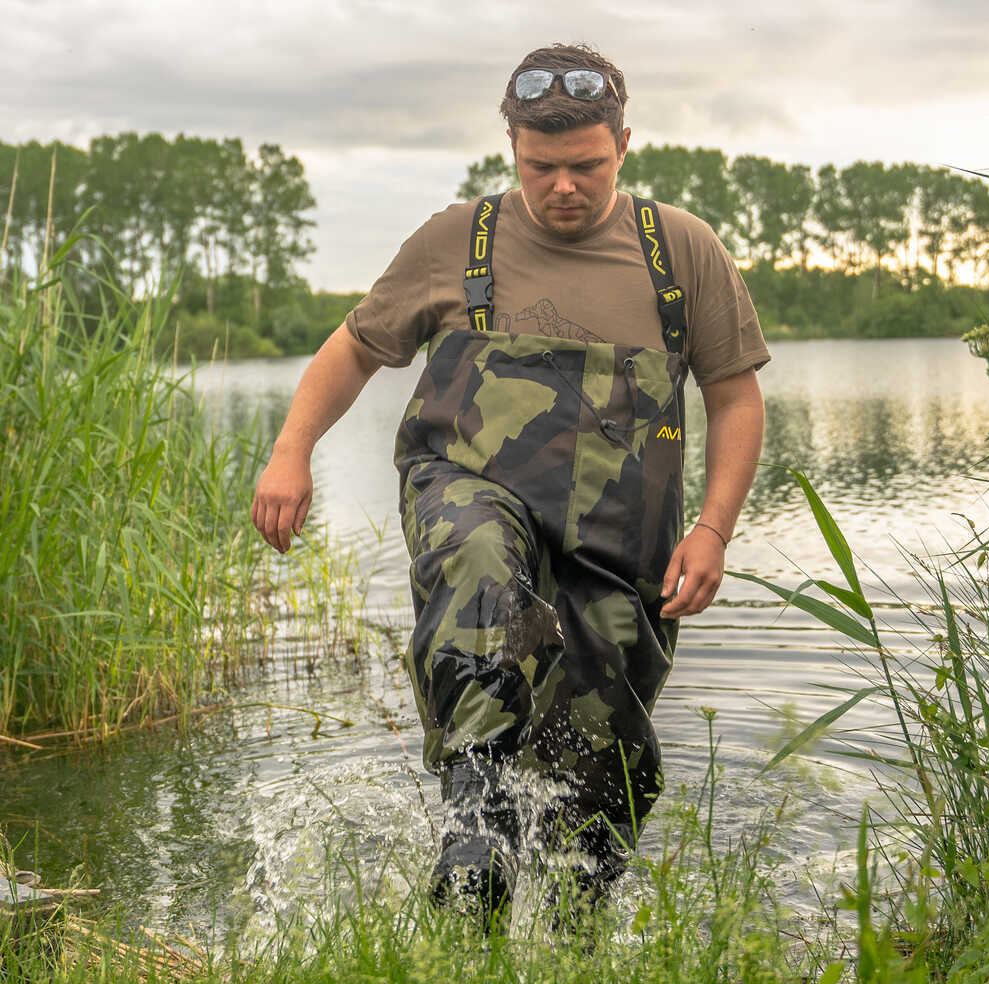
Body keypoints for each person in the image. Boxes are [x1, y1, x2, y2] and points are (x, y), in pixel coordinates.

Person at [251, 42, 768, 931]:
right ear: (512, 148)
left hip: (617, 543)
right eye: (541, 167)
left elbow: (734, 396)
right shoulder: (457, 240)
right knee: (479, 560)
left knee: (603, 770)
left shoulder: (678, 249)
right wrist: (291, 450)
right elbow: (354, 350)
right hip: (469, 488)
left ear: (624, 144)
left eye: (586, 166)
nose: (563, 186)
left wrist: (714, 529)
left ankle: (562, 940)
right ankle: (474, 813)